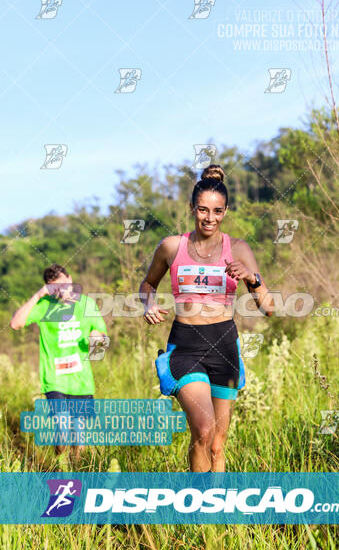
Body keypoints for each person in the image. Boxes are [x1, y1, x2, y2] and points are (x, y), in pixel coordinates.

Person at [139, 164, 274, 472]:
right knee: (202, 430)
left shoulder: (238, 248)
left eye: (217, 211)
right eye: (202, 210)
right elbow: (148, 284)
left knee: (217, 443)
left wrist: (251, 278)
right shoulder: (172, 246)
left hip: (224, 345)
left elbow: (268, 306)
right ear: (192, 209)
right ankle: (197, 511)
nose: (209, 218)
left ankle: (215, 514)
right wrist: (148, 303)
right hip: (185, 347)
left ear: (225, 212)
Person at [10, 263, 107, 458]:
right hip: (55, 379)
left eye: (64, 285)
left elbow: (102, 340)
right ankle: (61, 470)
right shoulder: (44, 306)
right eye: (56, 288)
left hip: (81, 380)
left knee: (79, 437)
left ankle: (77, 475)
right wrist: (38, 295)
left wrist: (97, 339)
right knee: (62, 432)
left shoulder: (87, 304)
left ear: (71, 280)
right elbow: (15, 324)